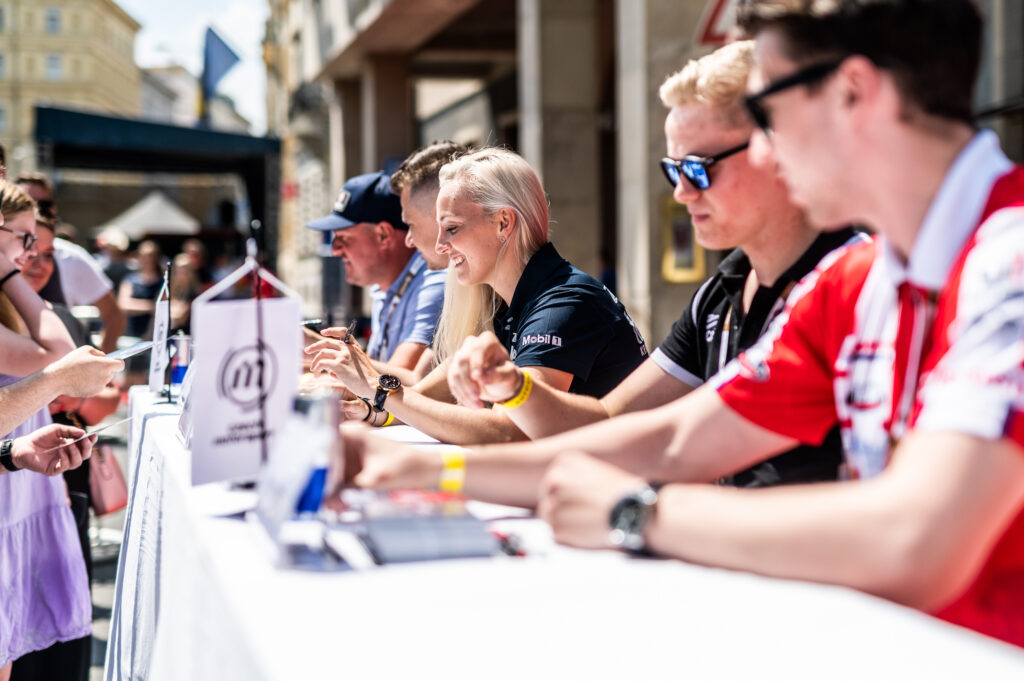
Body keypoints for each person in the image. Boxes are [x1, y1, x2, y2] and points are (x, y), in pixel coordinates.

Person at [342, 0, 1024, 647]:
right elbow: (668, 441)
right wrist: (405, 465)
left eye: (768, 112)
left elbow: (915, 538)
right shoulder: (859, 279)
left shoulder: (1008, 258)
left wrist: (637, 512)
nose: (764, 151)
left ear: (854, 92)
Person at [445, 41, 854, 487]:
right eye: (672, 170)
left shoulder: (852, 282)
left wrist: (650, 514)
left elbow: (661, 443)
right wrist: (513, 388)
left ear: (775, 149)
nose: (681, 192)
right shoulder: (720, 294)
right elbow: (613, 422)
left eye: (698, 168)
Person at [308, 148, 649, 444]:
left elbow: (511, 430)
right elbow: (421, 399)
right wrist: (369, 408)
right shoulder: (511, 303)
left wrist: (377, 387)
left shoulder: (563, 302)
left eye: (452, 228)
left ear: (504, 223)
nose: (441, 245)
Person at [0, 181, 93, 680]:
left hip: (15, 480)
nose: (29, 252)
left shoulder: (10, 304)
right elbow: (59, 357)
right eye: (23, 238)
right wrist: (7, 271)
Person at [306, 171, 446, 371]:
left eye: (344, 237)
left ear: (383, 235)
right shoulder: (385, 286)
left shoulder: (433, 280)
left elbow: (399, 380)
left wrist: (310, 343)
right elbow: (374, 372)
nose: (335, 249)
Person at [15, 174, 124, 353]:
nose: (34, 211)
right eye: (24, 204)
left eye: (48, 255)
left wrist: (104, 359)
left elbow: (114, 316)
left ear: (54, 210)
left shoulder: (71, 257)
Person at [118, 239, 163, 340]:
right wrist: (151, 306)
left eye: (150, 256)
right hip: (130, 334)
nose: (147, 260)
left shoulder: (162, 282)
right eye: (143, 256)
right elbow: (123, 305)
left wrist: (149, 333)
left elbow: (161, 309)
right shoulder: (130, 279)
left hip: (152, 336)